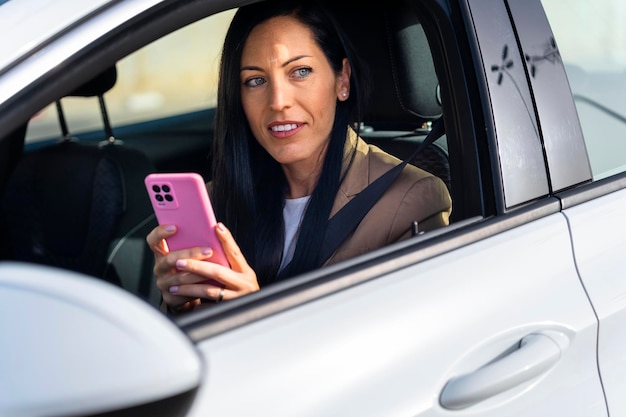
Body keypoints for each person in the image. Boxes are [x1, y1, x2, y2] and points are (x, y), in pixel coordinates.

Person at [146, 0, 452, 314]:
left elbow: (405, 349)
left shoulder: (411, 200)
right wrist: (182, 304)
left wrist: (255, 314)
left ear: (342, 80)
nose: (278, 102)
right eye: (256, 80)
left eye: (300, 72)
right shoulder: (214, 203)